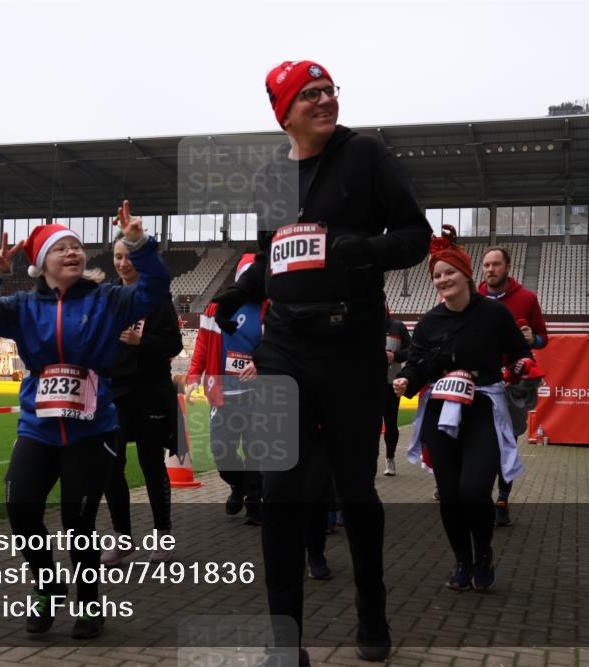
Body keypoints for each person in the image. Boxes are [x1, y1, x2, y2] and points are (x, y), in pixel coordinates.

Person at [212, 60, 432, 664]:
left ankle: (372, 609)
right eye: (309, 94)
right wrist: (239, 289)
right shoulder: (268, 179)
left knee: (355, 488)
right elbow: (269, 256)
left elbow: (415, 236)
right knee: (281, 488)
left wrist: (358, 248)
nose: (324, 100)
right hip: (282, 347)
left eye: (329, 90)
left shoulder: (364, 155)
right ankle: (286, 641)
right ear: (283, 111)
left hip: (351, 346)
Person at [0, 202, 168, 640]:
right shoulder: (20, 307)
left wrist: (137, 244)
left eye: (76, 247)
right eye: (61, 248)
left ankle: (90, 602)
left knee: (79, 523)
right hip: (38, 427)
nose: (73, 253)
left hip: (92, 430)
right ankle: (48, 585)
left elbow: (154, 290)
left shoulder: (108, 300)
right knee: (21, 511)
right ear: (41, 264)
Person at [394, 226, 540, 593]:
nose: (443, 280)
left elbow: (519, 353)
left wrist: (522, 364)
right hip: (442, 413)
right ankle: (462, 560)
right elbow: (416, 363)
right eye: (437, 275)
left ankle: (483, 553)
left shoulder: (493, 314)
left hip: (483, 411)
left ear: (466, 274)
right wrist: (405, 381)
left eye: (449, 273)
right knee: (450, 494)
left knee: (474, 491)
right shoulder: (429, 321)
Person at [101, 232, 183, 566]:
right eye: (118, 256)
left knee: (151, 464)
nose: (122, 263)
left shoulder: (156, 296)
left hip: (151, 393)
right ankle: (123, 538)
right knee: (111, 465)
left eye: (128, 257)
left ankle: (163, 535)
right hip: (116, 393)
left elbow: (174, 345)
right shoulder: (108, 296)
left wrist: (141, 341)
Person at [186, 254, 266, 525]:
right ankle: (238, 485)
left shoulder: (272, 308)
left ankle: (254, 504)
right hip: (223, 394)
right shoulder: (214, 309)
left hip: (258, 394)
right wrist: (194, 375)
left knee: (256, 450)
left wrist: (260, 363)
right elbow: (203, 345)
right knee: (222, 451)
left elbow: (279, 345)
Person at [479, 246, 548, 526]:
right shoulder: (474, 298)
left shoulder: (527, 298)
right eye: (486, 265)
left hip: (514, 384)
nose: (490, 270)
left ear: (507, 267)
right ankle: (478, 494)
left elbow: (544, 338)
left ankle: (503, 497)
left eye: (495, 264)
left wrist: (533, 340)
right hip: (481, 381)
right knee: (480, 441)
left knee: (507, 441)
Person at [381, 303, 411, 476]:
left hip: (392, 383)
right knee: (369, 426)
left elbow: (412, 349)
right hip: (371, 385)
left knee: (391, 423)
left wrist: (395, 356)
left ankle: (390, 458)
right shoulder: (366, 327)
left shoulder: (398, 326)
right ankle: (369, 463)